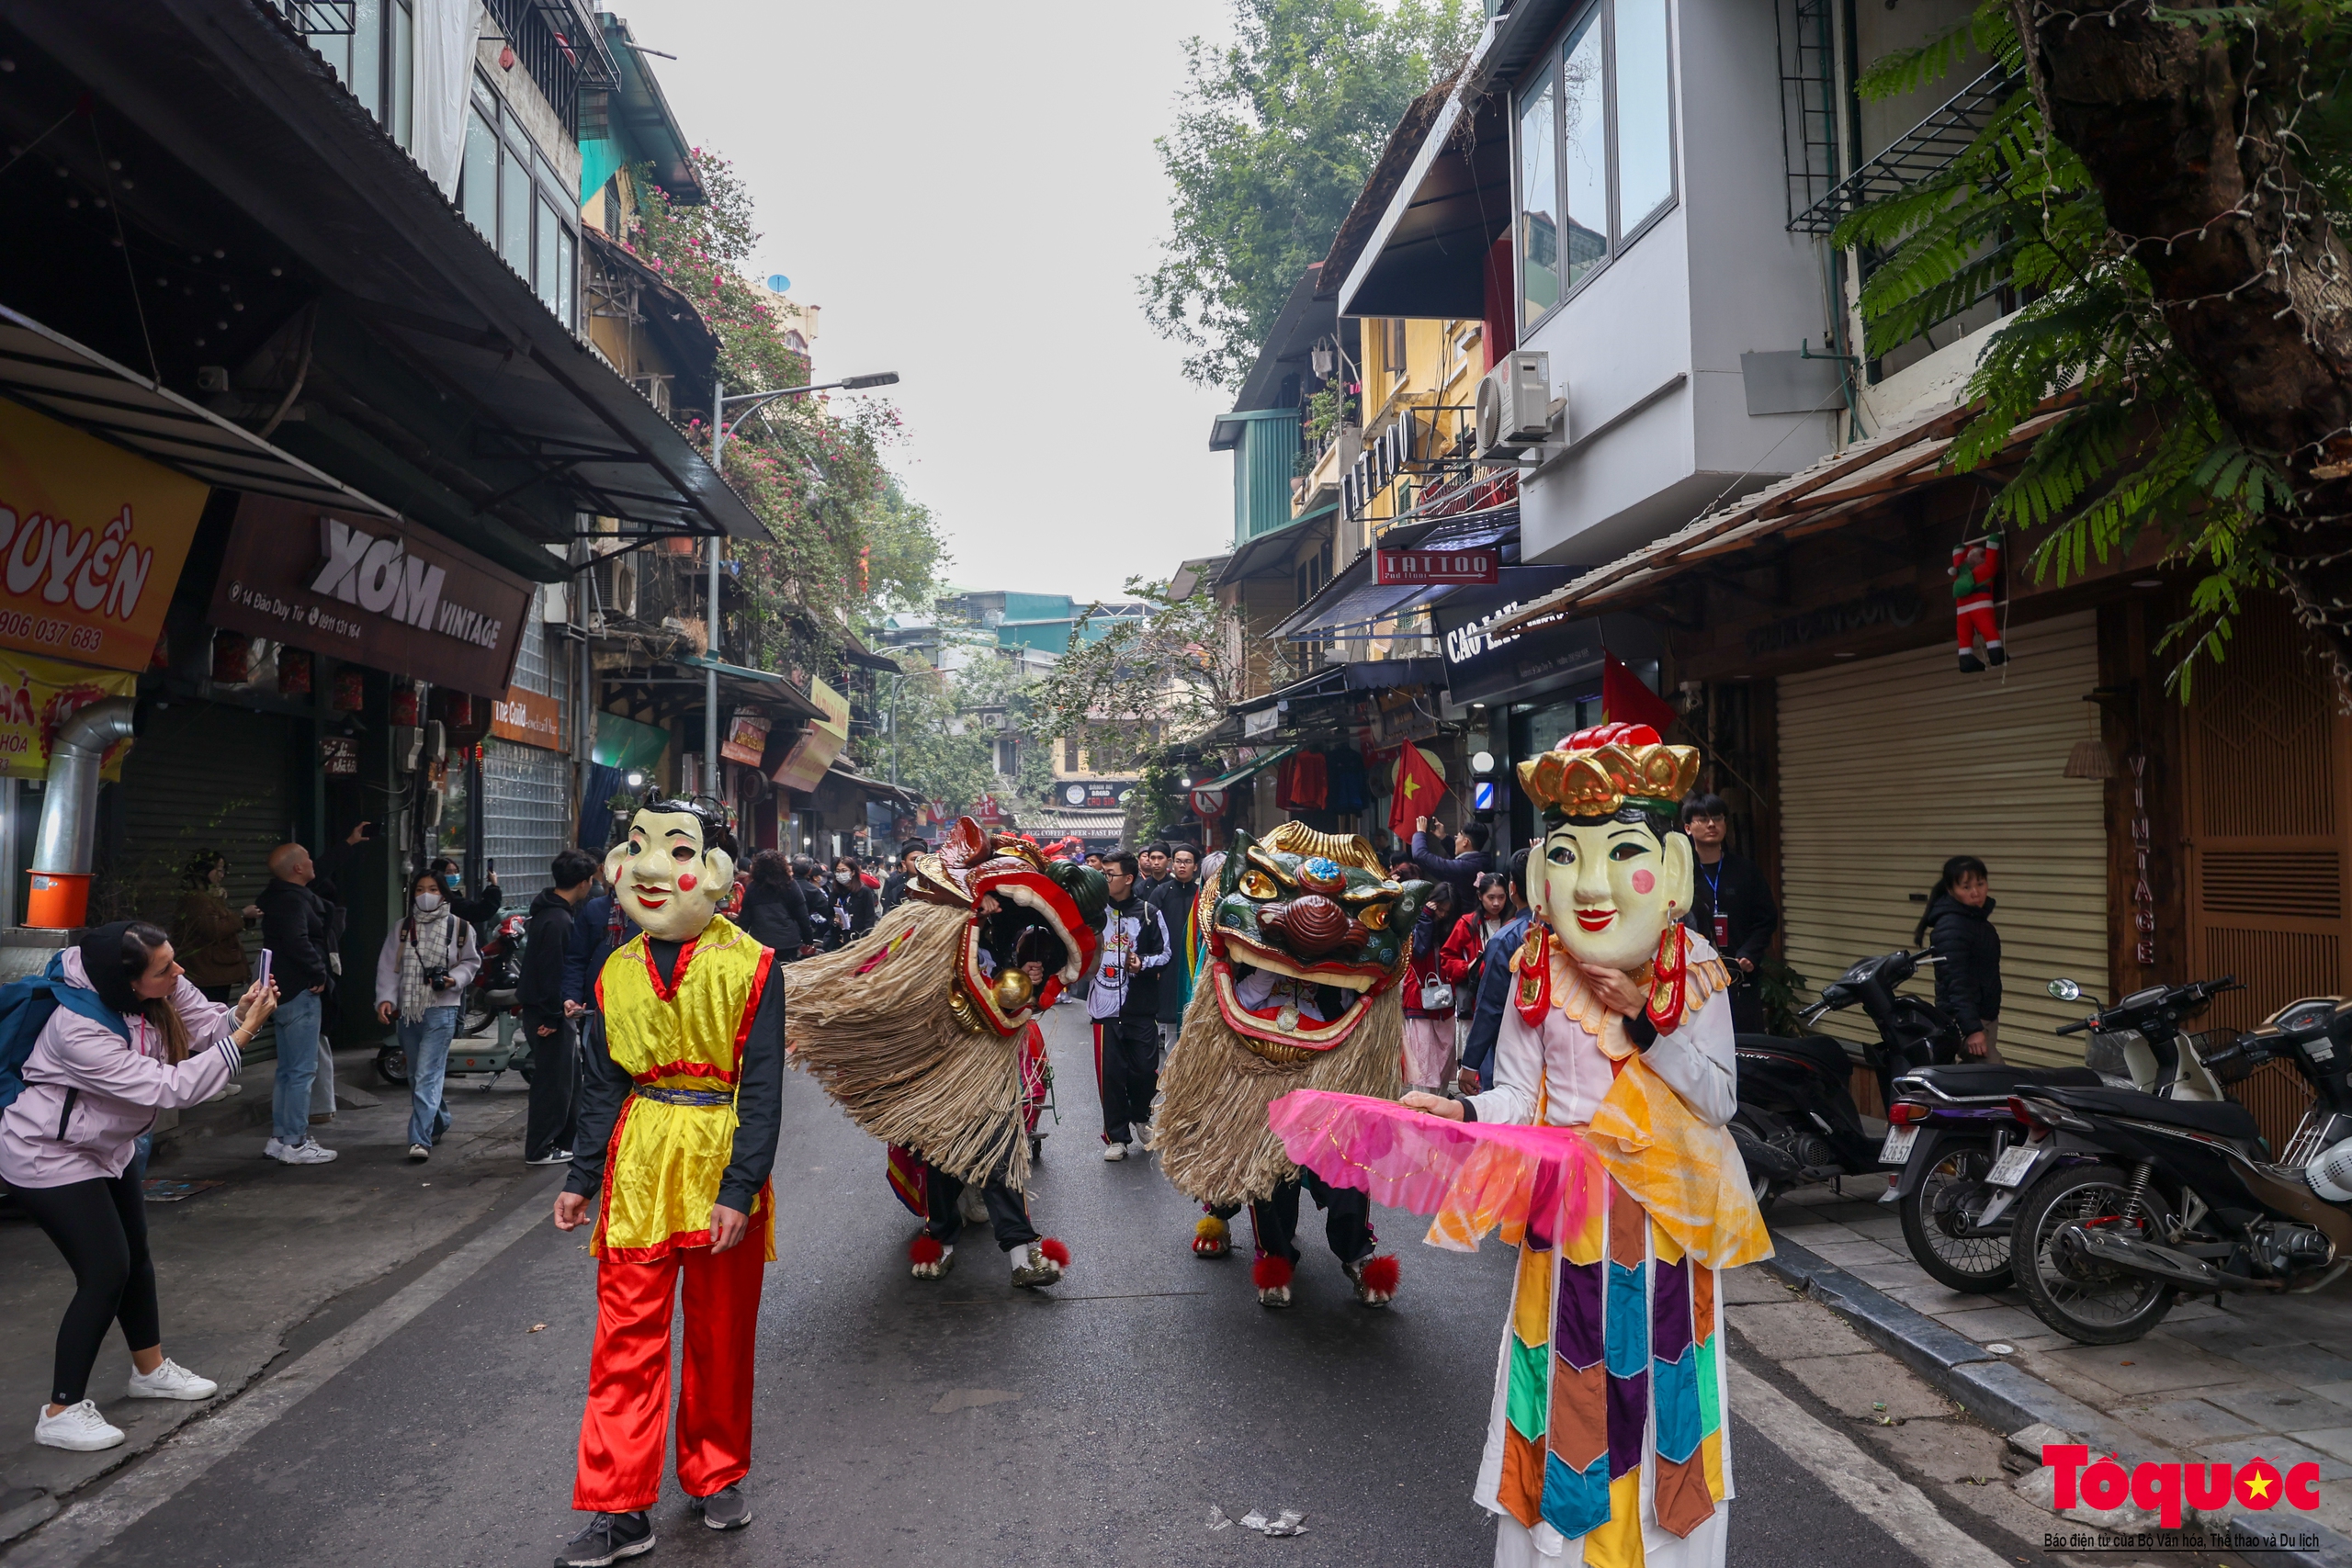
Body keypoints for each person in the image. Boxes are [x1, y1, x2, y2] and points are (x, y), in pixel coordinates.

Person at [1400, 724, 1767, 1566]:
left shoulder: (1696, 964)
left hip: (1667, 1223)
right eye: (1568, 854)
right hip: (1566, 1225)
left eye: (1622, 852)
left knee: (1668, 1386)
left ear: (1670, 870)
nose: (1592, 882)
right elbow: (1522, 1097)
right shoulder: (1535, 960)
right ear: (1539, 872)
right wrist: (1465, 1114)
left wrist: (1645, 1017)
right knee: (1557, 1386)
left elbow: (1717, 1098)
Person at [553, 800, 782, 1562]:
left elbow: (763, 1088)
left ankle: (715, 1472)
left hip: (719, 1164)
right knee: (624, 1341)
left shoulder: (753, 965)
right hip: (639, 1167)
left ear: (714, 873)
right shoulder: (614, 969)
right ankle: (619, 1506)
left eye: (675, 851)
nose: (653, 869)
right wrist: (583, 1176)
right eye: (640, 848)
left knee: (720, 1333)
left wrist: (739, 1188)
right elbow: (603, 1083)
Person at [0, 921, 277, 1451]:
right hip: (47, 1152)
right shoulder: (76, 1029)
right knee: (106, 1271)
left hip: (109, 1143)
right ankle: (60, 1410)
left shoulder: (161, 984)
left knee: (136, 1257)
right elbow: (171, 1087)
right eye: (165, 968)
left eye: (174, 959)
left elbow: (208, 1032)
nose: (178, 972)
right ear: (129, 984)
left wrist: (241, 1013)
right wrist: (245, 1034)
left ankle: (148, 1372)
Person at [787, 818, 1093, 1290]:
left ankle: (1019, 1254)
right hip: (939, 1061)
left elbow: (1020, 988)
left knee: (998, 1150)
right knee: (938, 1154)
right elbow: (887, 983)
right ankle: (943, 1241)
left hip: (987, 1063)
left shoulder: (1003, 927)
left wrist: (1030, 976)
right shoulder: (933, 929)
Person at [1151, 823, 1428, 1306]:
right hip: (1256, 1069)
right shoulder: (1245, 953)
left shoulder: (1347, 979)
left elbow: (1361, 992)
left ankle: (1358, 1254)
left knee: (1344, 1169)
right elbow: (1235, 988)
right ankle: (1272, 1256)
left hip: (1328, 1073)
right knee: (1266, 1170)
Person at [374, 870, 481, 1162]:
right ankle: (440, 1120)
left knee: (427, 1074)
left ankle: (419, 1139)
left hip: (443, 1009)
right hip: (408, 1012)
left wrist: (453, 979)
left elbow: (472, 961)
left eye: (433, 888)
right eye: (420, 888)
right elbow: (387, 967)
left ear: (443, 893)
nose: (426, 894)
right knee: (415, 1075)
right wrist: (385, 999)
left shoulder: (459, 927)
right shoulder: (402, 928)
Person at [1085, 850, 1169, 1160]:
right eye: (1102, 873)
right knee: (1111, 1076)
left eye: (1109, 874)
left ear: (1128, 878)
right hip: (1104, 1009)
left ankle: (1142, 1117)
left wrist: (1142, 962)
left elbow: (1166, 953)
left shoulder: (1149, 913)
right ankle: (1116, 1138)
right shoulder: (1093, 913)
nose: (1104, 879)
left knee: (1145, 1071)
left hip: (1140, 1007)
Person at [256, 841, 336, 1165]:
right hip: (299, 989)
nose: (311, 861)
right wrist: (318, 971)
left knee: (288, 1071)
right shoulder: (293, 902)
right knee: (302, 1071)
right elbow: (298, 940)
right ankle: (295, 1141)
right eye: (306, 857)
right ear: (297, 869)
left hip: (279, 991)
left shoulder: (275, 899)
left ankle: (280, 1138)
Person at [520, 849, 598, 1167]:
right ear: (582, 883)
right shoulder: (558, 920)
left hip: (549, 1011)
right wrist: (553, 1016)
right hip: (548, 1013)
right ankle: (540, 1148)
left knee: (568, 1079)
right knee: (552, 1083)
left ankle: (566, 1140)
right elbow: (551, 972)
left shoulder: (550, 913)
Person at [1679, 794, 1779, 1033]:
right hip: (1694, 979)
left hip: (1739, 975)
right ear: (1687, 828)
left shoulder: (1745, 870)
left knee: (1746, 1044)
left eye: (1717, 818)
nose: (1712, 824)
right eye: (1702, 819)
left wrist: (1750, 954)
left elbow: (1766, 918)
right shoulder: (1680, 875)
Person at [1458, 852, 1533, 1093]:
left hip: (1514, 1044)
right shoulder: (1571, 932)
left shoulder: (1506, 938)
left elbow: (1491, 1006)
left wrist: (1470, 1063)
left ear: (1512, 889)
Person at [1917, 854, 2002, 1063]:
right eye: (1966, 887)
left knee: (1974, 1082)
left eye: (1980, 884)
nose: (1976, 893)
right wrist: (1972, 1030)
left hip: (1982, 1017)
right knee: (1997, 1078)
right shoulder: (1952, 927)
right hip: (1965, 1021)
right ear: (1951, 890)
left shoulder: (1974, 920)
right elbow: (1956, 983)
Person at [1441, 873, 1512, 1072]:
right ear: (1480, 896)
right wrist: (1467, 967)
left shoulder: (1512, 922)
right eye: (1491, 897)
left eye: (1501, 897)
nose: (1497, 903)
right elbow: (1447, 957)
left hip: (1507, 996)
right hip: (1475, 998)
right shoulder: (1467, 923)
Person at [170, 851, 258, 1002]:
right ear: (204, 870)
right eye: (218, 870)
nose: (221, 875)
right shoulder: (197, 899)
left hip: (213, 970)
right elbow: (214, 929)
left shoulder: (209, 897)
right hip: (208, 972)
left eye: (223, 870)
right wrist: (242, 915)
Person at [1401, 881, 1458, 1089]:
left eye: (1446, 911)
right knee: (1423, 1054)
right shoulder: (1415, 920)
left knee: (1445, 1051)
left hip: (1444, 999)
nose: (1442, 915)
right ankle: (1423, 1104)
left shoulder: (1451, 926)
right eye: (1440, 909)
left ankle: (1438, 1104)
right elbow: (1418, 950)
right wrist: (1425, 917)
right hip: (1419, 995)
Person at [1148, 845, 1204, 1032]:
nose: (1182, 866)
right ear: (1172, 863)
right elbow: (1150, 929)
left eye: (1187, 862)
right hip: (1168, 960)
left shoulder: (1201, 894)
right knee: (1169, 1011)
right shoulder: (1161, 893)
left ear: (1195, 866)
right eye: (1179, 861)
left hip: (1193, 959)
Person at [1409, 814, 1494, 912]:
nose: (1455, 840)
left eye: (1457, 837)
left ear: (1465, 842)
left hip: (1463, 921)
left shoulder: (1465, 868)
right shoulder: (1481, 862)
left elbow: (1420, 855)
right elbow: (1461, 856)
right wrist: (1443, 837)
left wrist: (1420, 832)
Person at [429, 855, 503, 928]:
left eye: (456, 872)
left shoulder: (449, 895)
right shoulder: (448, 899)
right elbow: (480, 912)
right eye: (448, 872)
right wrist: (494, 885)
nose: (454, 875)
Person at [791, 856, 836, 954]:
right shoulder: (811, 890)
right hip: (800, 934)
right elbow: (827, 911)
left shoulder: (781, 886)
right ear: (810, 870)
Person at [829, 854, 876, 943]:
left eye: (844, 871)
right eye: (838, 871)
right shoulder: (834, 893)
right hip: (838, 939)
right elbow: (829, 914)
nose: (840, 874)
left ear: (853, 872)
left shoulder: (864, 892)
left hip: (858, 938)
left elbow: (870, 918)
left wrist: (865, 938)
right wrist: (834, 921)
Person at [879, 840, 925, 913]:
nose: (918, 863)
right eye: (914, 859)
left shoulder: (936, 884)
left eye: (922, 859)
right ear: (904, 864)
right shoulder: (895, 886)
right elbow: (887, 911)